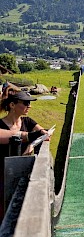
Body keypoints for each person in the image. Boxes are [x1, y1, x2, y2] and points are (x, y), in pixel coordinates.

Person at [0, 90, 49, 221]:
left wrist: (32, 144)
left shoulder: (27, 121)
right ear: (12, 105)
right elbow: (14, 136)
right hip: (3, 176)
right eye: (26, 103)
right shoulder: (1, 125)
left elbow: (45, 134)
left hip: (22, 173)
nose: (30, 106)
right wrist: (30, 137)